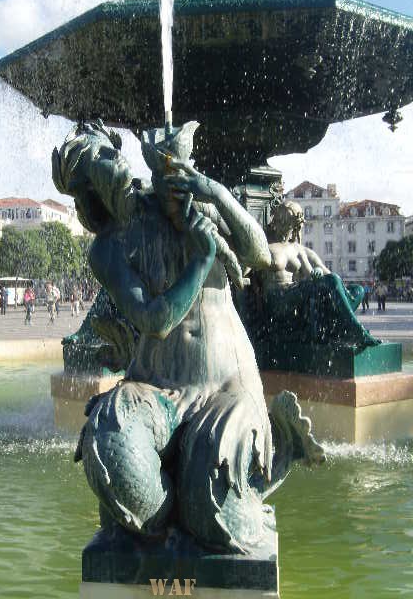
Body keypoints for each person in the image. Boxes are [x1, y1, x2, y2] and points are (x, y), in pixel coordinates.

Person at [53, 120, 283, 554]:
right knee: (109, 435)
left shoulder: (189, 203)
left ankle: (202, 504)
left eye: (86, 191)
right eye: (75, 198)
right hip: (155, 388)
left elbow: (260, 254)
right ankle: (159, 526)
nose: (83, 209)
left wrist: (214, 192)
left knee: (207, 499)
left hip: (223, 385)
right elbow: (154, 321)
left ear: (111, 176)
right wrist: (203, 259)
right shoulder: (107, 248)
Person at [257, 201, 379, 347]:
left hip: (298, 294)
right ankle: (355, 331)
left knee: (357, 290)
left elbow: (332, 278)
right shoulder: (268, 247)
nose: (282, 226)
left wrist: (319, 271)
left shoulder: (302, 250)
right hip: (280, 297)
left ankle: (337, 329)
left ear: (295, 225)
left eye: (287, 222)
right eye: (280, 220)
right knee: (330, 282)